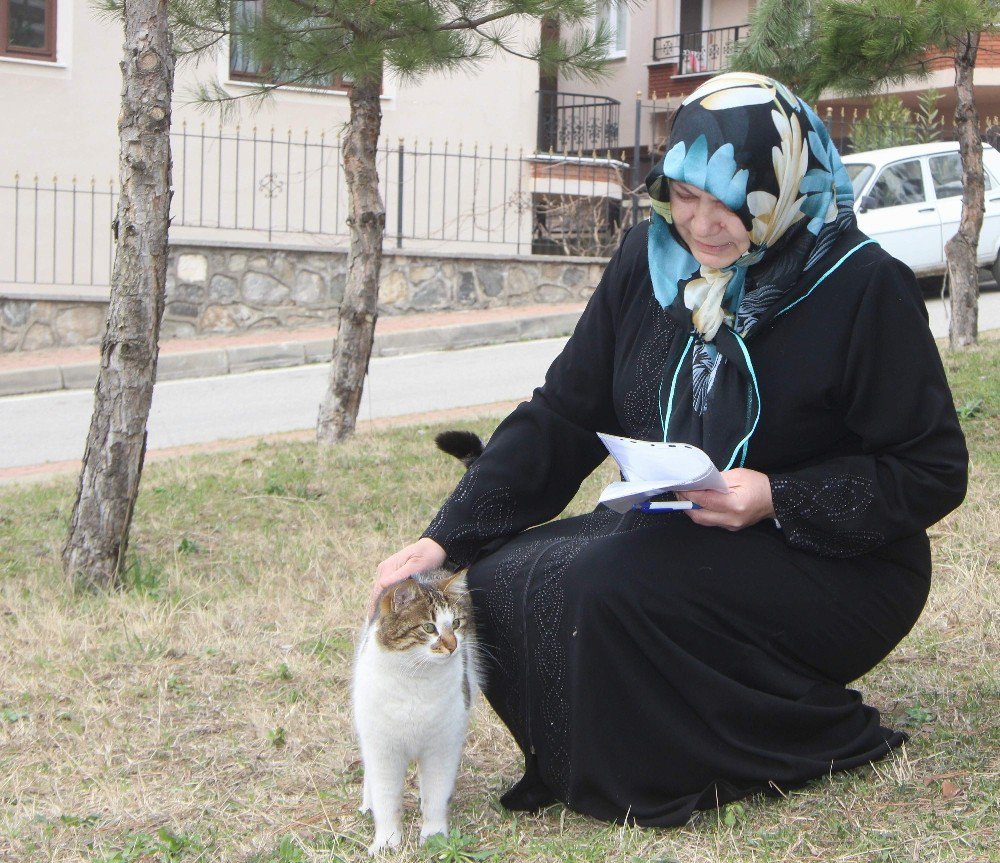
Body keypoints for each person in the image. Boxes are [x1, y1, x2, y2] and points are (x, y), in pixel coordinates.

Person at [372, 72, 969, 826]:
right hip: (677, 537)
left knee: (607, 583)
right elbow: (563, 413)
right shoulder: (649, 262)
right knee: (495, 579)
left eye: (731, 201)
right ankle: (593, 760)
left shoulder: (861, 285)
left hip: (838, 561)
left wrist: (776, 496)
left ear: (783, 187)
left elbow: (932, 468)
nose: (703, 223)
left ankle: (785, 736)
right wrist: (443, 537)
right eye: (685, 195)